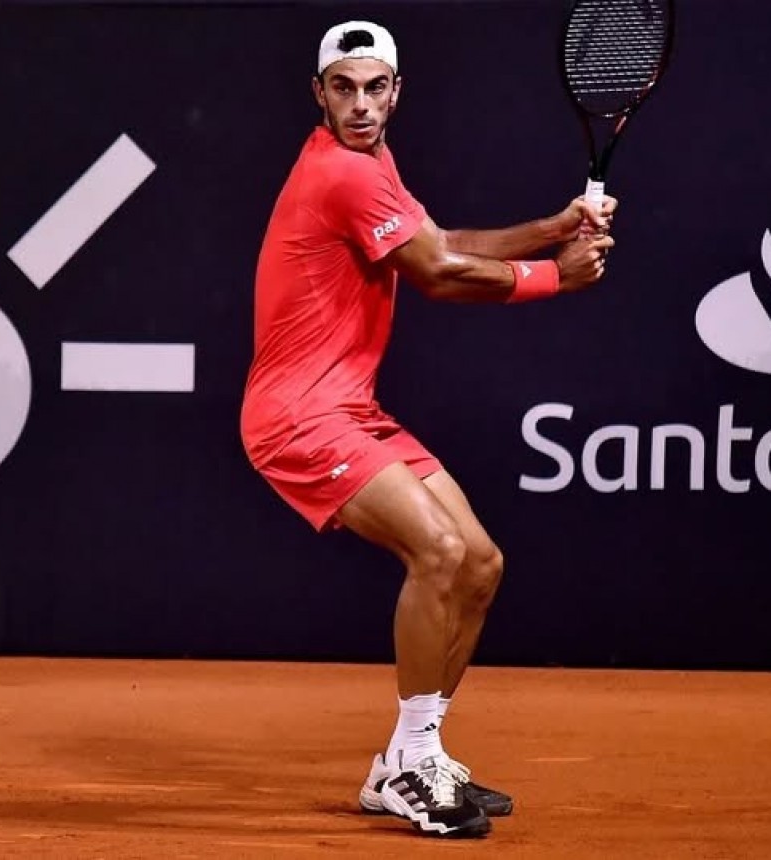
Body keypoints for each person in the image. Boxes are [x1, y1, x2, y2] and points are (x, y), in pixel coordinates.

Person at [240, 19, 616, 839]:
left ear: (397, 92)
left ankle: (408, 759)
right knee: (436, 552)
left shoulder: (373, 161)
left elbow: (439, 244)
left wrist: (552, 228)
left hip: (350, 409)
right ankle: (412, 765)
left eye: (376, 88)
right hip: (298, 417)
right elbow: (442, 276)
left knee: (479, 563)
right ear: (319, 94)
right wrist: (558, 276)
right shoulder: (338, 171)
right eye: (344, 87)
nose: (361, 104)